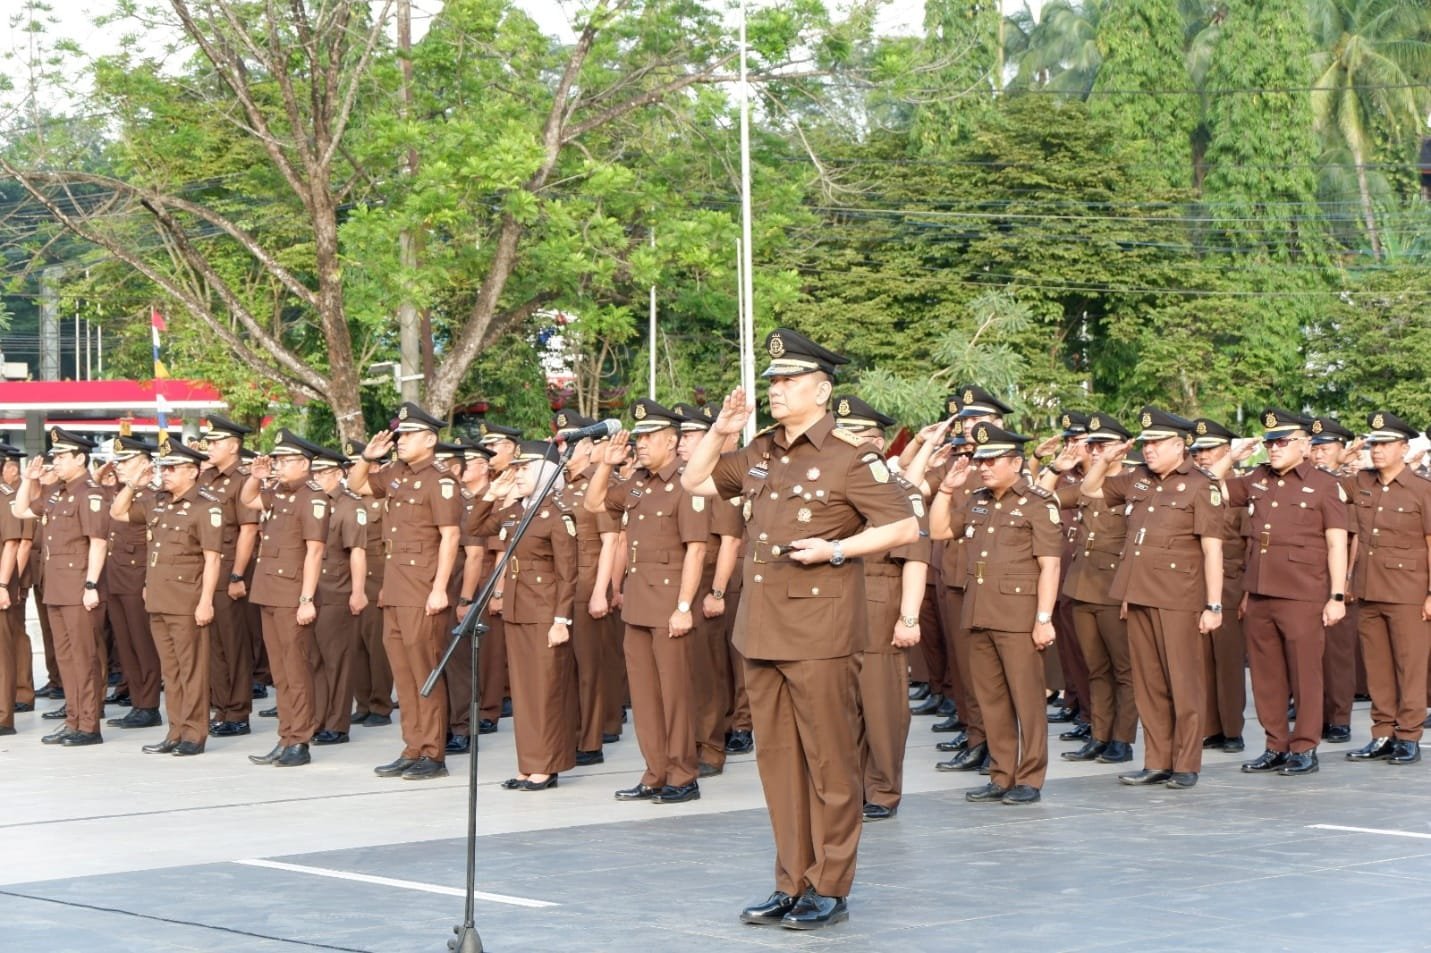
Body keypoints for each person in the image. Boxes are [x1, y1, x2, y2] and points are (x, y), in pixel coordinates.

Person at [681, 328, 918, 930]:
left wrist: (837, 550)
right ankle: (791, 881)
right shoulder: (761, 450)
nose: (777, 389)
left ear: (823, 389)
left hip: (820, 631)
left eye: (789, 380)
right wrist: (720, 430)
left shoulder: (851, 456)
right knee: (779, 764)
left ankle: (830, 886)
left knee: (830, 763)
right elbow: (695, 481)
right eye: (774, 381)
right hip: (761, 629)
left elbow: (902, 528)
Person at [1077, 407, 1223, 789]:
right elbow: (1089, 490)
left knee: (1183, 684)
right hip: (1138, 594)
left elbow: (1212, 549)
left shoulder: (1201, 485)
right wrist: (1105, 459)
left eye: (1157, 442)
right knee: (1149, 684)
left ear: (1179, 445)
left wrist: (1213, 605)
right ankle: (1157, 760)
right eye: (1146, 443)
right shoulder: (1137, 478)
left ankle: (1186, 763)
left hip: (1179, 598)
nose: (1149, 449)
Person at [1207, 409, 1348, 777]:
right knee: (1266, 677)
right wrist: (1230, 457)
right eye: (1270, 442)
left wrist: (1336, 596)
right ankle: (1275, 745)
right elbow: (1209, 486)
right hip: (1259, 592)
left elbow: (1337, 543)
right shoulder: (1257, 478)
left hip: (1303, 593)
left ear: (1304, 445)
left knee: (1305, 675)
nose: (1274, 448)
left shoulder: (1324, 484)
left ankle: (1304, 747)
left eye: (1282, 441)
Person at [586, 398, 710, 804]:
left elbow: (695, 550)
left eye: (649, 436)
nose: (640, 444)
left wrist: (684, 607)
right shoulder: (637, 482)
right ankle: (655, 772)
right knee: (644, 696)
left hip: (669, 605)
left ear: (671, 441)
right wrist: (605, 464)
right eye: (638, 437)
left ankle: (683, 775)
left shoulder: (687, 483)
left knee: (674, 696)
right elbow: (593, 504)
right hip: (638, 604)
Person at [931, 422, 1061, 805]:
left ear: (1015, 463)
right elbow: (939, 530)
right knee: (992, 700)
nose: (983, 467)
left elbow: (1050, 565)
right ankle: (1001, 774)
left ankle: (1030, 777)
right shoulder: (977, 500)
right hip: (980, 612)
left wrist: (1043, 619)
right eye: (980, 460)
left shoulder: (1038, 503)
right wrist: (946, 488)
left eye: (992, 460)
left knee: (1027, 700)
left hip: (1019, 616)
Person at [348, 403, 463, 781]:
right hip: (396, 587)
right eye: (400, 435)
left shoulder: (441, 481)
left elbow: (450, 537)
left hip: (423, 588)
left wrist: (440, 589)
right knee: (403, 672)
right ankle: (412, 746)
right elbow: (356, 485)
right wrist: (367, 457)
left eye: (409, 435)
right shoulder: (396, 472)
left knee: (424, 672)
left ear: (429, 439)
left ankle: (433, 752)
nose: (400, 441)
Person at [832, 395, 927, 821]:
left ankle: (883, 789)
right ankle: (851, 787)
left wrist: (908, 617)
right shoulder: (837, 488)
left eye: (856, 437)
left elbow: (915, 561)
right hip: (837, 611)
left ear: (877, 442)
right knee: (844, 709)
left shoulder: (901, 492)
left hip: (879, 608)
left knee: (882, 707)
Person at [473, 441, 578, 791]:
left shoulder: (557, 515)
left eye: (524, 469)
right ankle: (528, 762)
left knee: (545, 690)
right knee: (523, 691)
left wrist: (561, 620)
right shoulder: (517, 510)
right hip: (518, 610)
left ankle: (546, 765)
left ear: (545, 473)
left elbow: (568, 574)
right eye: (515, 469)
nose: (517, 475)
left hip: (545, 612)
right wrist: (492, 493)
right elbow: (474, 525)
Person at [112, 438, 223, 756]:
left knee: (191, 671)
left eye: (173, 468)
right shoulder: (156, 501)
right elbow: (117, 512)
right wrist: (133, 484)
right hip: (159, 599)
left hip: (187, 601)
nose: (166, 473)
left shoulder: (206, 506)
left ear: (192, 471)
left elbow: (212, 559)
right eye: (164, 467)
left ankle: (194, 734)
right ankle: (175, 731)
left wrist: (206, 601)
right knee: (171, 672)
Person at [1039, 414, 1138, 764]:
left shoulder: (1134, 483)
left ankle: (1122, 739)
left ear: (1122, 448)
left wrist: (1130, 592)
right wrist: (1055, 467)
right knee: (1095, 668)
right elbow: (1041, 498)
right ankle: (1099, 734)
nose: (1095, 451)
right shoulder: (1084, 487)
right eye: (1092, 445)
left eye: (1102, 445)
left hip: (1113, 587)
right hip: (1081, 584)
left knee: (1123, 669)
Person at [1343, 412, 1431, 766]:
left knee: (1410, 667)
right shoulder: (1361, 481)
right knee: (1377, 668)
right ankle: (1382, 733)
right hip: (1368, 589)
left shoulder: (1422, 490)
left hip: (1409, 592)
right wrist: (1345, 455)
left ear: (1404, 448)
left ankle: (1408, 735)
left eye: (1384, 444)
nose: (1376, 450)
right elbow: (1322, 485)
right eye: (1373, 443)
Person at [15, 429, 112, 747]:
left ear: (80, 458)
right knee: (67, 658)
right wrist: (28, 480)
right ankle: (73, 720)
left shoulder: (90, 493)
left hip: (79, 588)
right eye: (54, 456)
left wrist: (91, 584)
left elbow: (98, 543)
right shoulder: (57, 492)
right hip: (56, 587)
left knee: (84, 658)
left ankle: (89, 725)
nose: (55, 462)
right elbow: (21, 510)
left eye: (61, 456)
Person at [239, 430, 329, 768]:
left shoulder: (313, 498)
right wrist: (256, 476)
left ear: (304, 464)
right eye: (276, 460)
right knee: (280, 672)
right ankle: (286, 736)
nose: (278, 466)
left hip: (292, 595)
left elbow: (315, 552)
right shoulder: (277, 492)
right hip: (269, 592)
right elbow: (248, 499)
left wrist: (306, 598)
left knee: (297, 671)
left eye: (284, 461)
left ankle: (300, 741)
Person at [553, 411, 620, 766]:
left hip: (588, 578)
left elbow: (611, 540)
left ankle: (591, 740)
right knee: (565, 665)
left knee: (588, 664)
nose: (564, 448)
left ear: (589, 446)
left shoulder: (598, 480)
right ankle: (570, 732)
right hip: (561, 581)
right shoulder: (557, 483)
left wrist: (600, 591)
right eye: (561, 442)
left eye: (571, 442)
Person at [1188, 417, 1251, 753]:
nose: (1202, 457)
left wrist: (1247, 592)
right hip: (1191, 584)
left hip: (1229, 586)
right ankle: (1210, 727)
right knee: (1199, 663)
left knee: (1227, 662)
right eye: (1197, 451)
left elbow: (1251, 545)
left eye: (1209, 450)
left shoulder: (1240, 491)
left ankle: (1232, 729)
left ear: (1227, 451)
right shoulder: (1190, 489)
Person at [198, 415, 261, 739]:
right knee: (213, 644)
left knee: (233, 643)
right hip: (203, 568)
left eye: (216, 442)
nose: (209, 447)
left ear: (234, 447)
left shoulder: (242, 479)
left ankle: (237, 712)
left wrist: (237, 574)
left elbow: (248, 530)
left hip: (228, 569)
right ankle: (220, 707)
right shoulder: (206, 477)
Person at [102, 437, 164, 732]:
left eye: (126, 461)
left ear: (144, 464)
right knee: (126, 646)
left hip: (138, 579)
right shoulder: (123, 493)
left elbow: (156, 545)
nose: (120, 466)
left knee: (143, 644)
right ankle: (138, 702)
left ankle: (149, 705)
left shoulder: (153, 496)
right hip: (117, 578)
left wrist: (150, 582)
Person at [310, 446, 368, 745]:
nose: (317, 478)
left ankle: (337, 723)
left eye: (322, 473)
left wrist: (357, 592)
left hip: (337, 590)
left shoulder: (349, 505)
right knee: (314, 661)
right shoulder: (312, 501)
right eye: (314, 473)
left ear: (338, 473)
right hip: (311, 591)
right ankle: (318, 719)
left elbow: (357, 552)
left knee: (337, 661)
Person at [1308, 416, 1360, 744]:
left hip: (1337, 579)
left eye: (1325, 449)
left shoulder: (1345, 487)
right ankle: (1319, 715)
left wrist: (1346, 582)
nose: (1318, 455)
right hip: (1309, 577)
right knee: (1312, 653)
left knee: (1337, 654)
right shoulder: (1309, 484)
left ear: (1342, 450)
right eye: (1314, 449)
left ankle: (1340, 718)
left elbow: (1353, 539)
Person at [343, 440, 393, 727]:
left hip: (377, 578)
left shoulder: (384, 503)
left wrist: (388, 585)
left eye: (357, 465)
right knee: (356, 646)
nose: (352, 470)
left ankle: (380, 704)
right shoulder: (348, 502)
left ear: (375, 468)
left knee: (377, 647)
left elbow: (390, 546)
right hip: (350, 580)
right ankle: (362, 702)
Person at [0, 442, 35, 734]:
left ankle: (3, 715)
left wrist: (4, 585)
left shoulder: (7, 497)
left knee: (4, 650)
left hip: (1, 583)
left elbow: (14, 544)